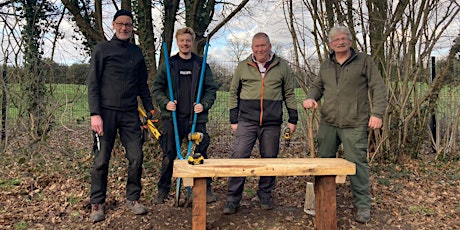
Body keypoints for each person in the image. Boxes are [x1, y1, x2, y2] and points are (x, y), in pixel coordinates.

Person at [302, 25, 388, 223]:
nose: (340, 42)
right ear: (330, 44)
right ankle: (323, 201)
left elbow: (378, 88)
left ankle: (363, 205)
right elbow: (317, 86)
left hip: (355, 123)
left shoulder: (364, 61)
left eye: (343, 38)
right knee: (324, 165)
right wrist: (310, 98)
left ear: (350, 41)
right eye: (335, 40)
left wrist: (377, 113)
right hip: (328, 123)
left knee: (357, 165)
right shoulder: (326, 65)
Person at [86, 9, 154, 222]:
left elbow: (142, 84)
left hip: (130, 114)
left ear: (132, 27)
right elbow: (93, 83)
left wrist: (150, 109)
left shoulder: (136, 52)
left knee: (136, 157)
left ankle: (132, 198)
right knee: (101, 160)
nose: (124, 28)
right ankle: (97, 203)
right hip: (105, 114)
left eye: (128, 24)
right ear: (114, 25)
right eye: (121, 24)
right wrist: (95, 114)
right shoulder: (102, 50)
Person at [224, 32, 298, 214]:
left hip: (272, 123)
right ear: (252, 48)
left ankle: (265, 195)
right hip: (246, 121)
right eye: (256, 46)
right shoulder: (243, 66)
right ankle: (233, 199)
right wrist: (234, 119)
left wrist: (293, 119)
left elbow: (289, 92)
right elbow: (233, 93)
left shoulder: (282, 67)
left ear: (270, 46)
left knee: (270, 159)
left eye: (263, 45)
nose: (260, 49)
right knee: (239, 157)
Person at [151, 27, 218, 204]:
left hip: (196, 119)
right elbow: (157, 87)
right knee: (169, 154)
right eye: (182, 41)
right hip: (172, 119)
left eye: (188, 40)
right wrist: (166, 102)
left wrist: (203, 105)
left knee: (200, 153)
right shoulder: (169, 63)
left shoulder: (201, 64)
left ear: (192, 42)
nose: (185, 44)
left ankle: (205, 189)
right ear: (177, 42)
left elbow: (211, 89)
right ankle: (163, 190)